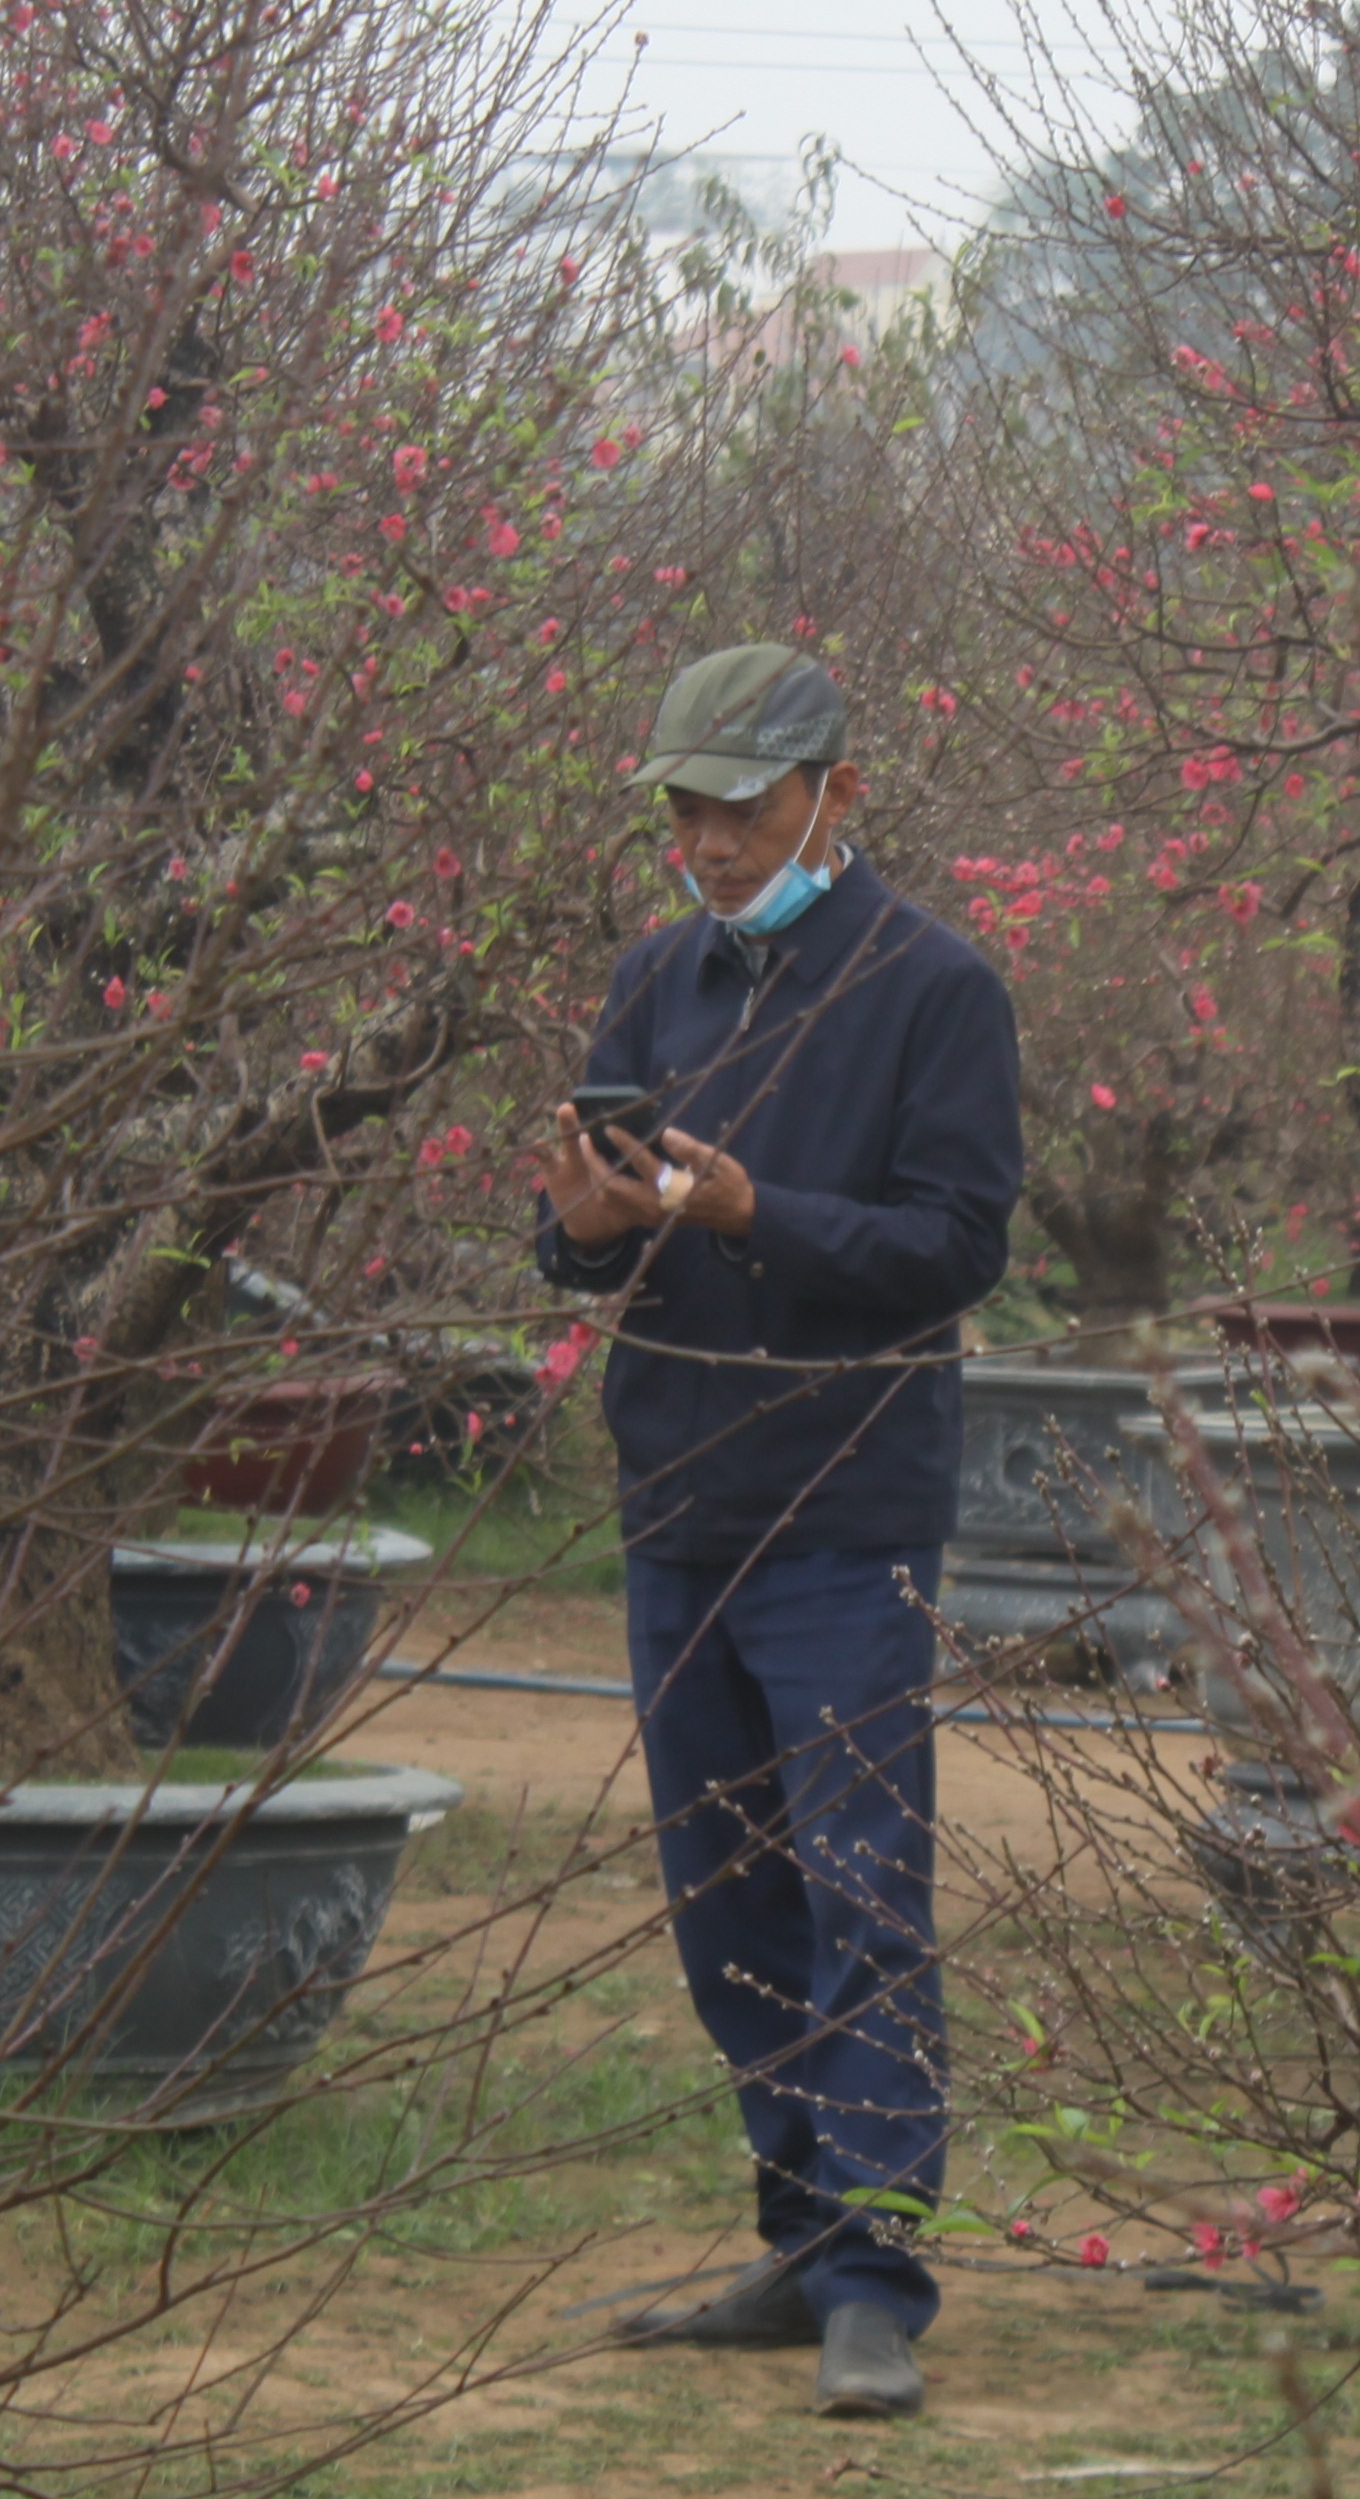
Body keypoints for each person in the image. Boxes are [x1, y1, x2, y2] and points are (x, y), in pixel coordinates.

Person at [529, 645, 1022, 2424]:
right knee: (722, 1890)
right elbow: (582, 1233)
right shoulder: (656, 974)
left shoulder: (932, 986)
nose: (711, 839)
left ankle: (879, 2271)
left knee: (858, 1886)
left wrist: (762, 1213)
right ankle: (801, 2235)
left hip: (842, 1508)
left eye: (741, 804)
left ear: (835, 793)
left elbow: (955, 1243)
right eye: (685, 806)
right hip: (678, 1500)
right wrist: (586, 1224)